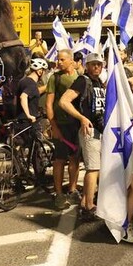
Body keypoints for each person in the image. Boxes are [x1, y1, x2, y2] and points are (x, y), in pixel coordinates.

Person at [58, 52, 106, 220]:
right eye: (93, 64)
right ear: (87, 65)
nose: (97, 67)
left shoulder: (98, 82)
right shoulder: (83, 81)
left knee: (96, 168)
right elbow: (63, 101)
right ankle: (89, 206)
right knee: (93, 168)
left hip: (99, 129)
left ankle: (86, 201)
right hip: (89, 130)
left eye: (99, 64)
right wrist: (82, 118)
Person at [45, 49, 81, 206]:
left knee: (75, 158)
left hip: (76, 125)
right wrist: (54, 126)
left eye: (62, 60)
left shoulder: (79, 78)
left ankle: (72, 190)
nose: (58, 62)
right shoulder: (54, 78)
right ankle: (59, 193)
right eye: (58, 59)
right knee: (59, 160)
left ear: (71, 61)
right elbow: (49, 104)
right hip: (61, 124)